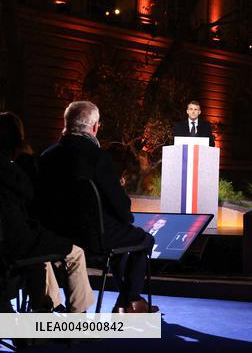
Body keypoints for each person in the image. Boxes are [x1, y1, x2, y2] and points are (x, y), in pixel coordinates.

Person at [36, 101, 157, 314]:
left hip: (56, 236)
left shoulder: (46, 157)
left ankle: (129, 301)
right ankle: (128, 301)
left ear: (66, 124)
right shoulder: (97, 156)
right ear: (94, 127)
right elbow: (119, 205)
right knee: (144, 240)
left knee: (121, 244)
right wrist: (125, 217)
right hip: (93, 239)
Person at [0, 112, 94, 313]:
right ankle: (78, 319)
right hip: (15, 241)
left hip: (14, 239)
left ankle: (49, 304)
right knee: (75, 253)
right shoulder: (10, 167)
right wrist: (25, 159)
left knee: (41, 255)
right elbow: (29, 193)